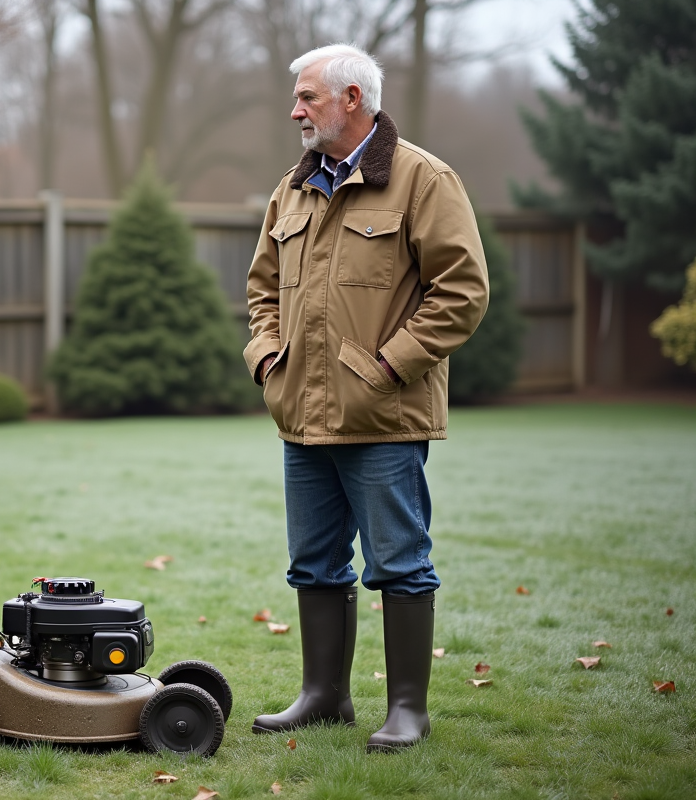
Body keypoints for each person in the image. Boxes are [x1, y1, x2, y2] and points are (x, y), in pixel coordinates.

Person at [243, 43, 489, 752]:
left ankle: (408, 710)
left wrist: (388, 366)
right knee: (312, 564)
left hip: (384, 416)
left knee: (400, 564)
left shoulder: (422, 179)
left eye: (308, 97)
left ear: (352, 98)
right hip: (301, 417)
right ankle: (324, 697)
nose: (295, 110)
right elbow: (262, 289)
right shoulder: (292, 189)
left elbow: (463, 292)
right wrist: (268, 359)